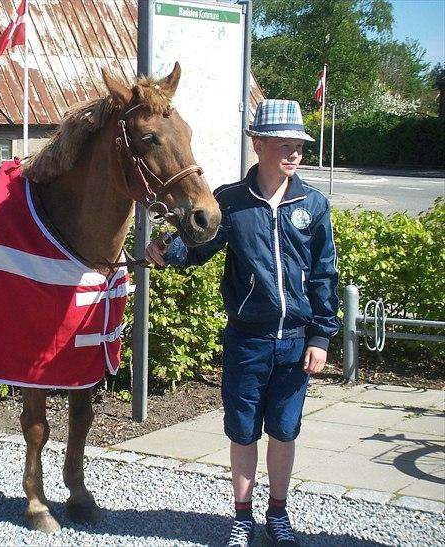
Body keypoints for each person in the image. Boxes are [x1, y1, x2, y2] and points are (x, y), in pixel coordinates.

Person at [145, 99, 339, 547]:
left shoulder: (313, 204)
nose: (293, 154)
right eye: (283, 144)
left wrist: (321, 336)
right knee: (243, 431)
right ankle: (241, 516)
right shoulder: (231, 202)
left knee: (285, 431)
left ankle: (278, 514)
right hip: (247, 341)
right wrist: (166, 250)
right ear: (258, 144)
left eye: (299, 146)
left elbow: (325, 274)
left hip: (294, 343)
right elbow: (197, 249)